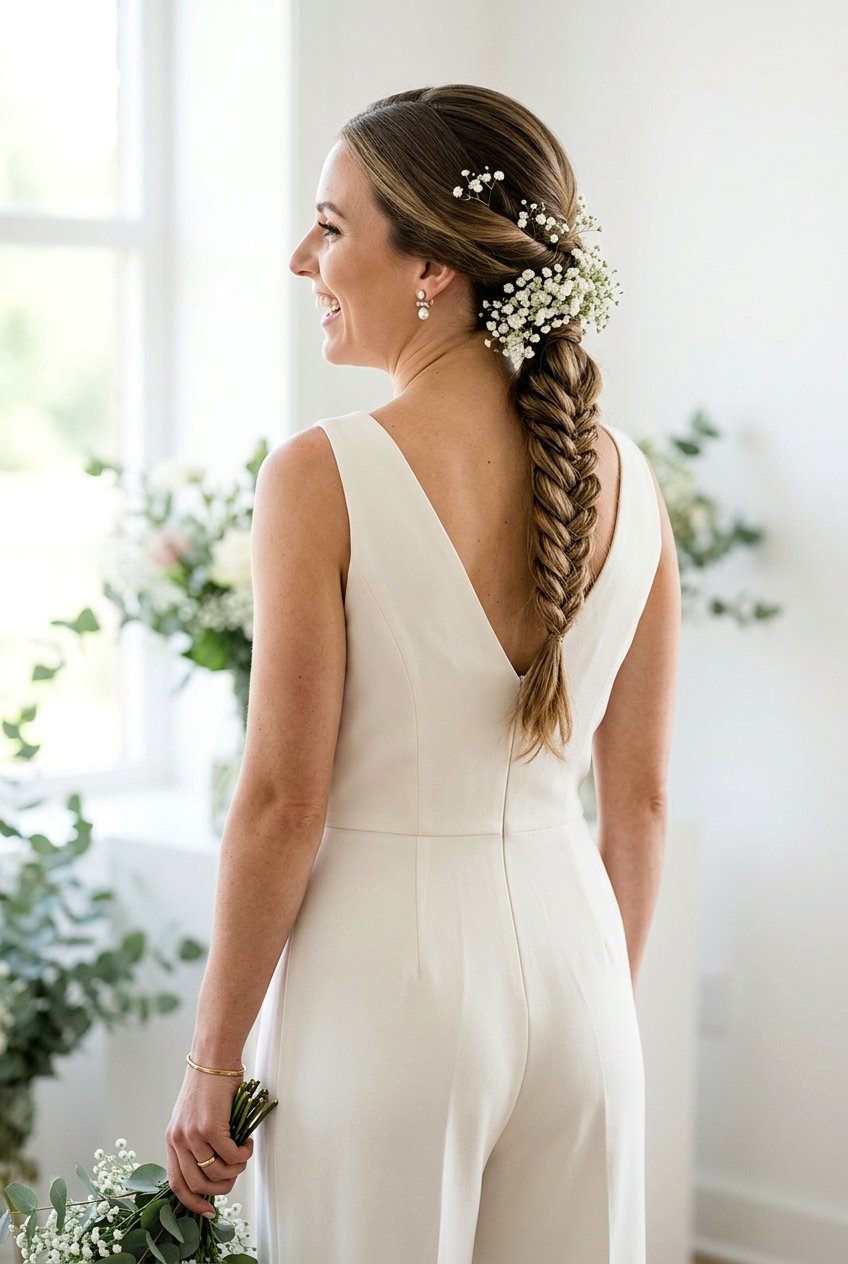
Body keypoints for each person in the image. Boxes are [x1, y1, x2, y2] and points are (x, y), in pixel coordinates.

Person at [165, 83, 681, 1263]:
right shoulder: (631, 480)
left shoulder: (320, 473)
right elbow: (639, 802)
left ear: (432, 267)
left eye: (333, 226)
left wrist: (212, 1059)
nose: (305, 257)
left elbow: (281, 802)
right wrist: (601, 1006)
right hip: (583, 980)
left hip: (384, 989)